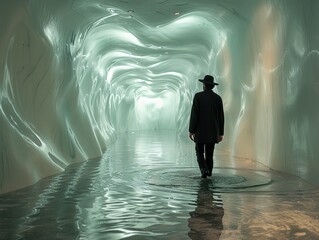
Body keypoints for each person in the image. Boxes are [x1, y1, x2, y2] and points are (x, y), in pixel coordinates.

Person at [189, 75, 224, 178]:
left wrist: (191, 130)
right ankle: (209, 173)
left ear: (204, 85)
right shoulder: (217, 98)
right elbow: (221, 117)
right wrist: (221, 133)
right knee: (210, 154)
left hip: (200, 131)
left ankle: (203, 169)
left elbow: (194, 114)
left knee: (199, 151)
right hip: (213, 132)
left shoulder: (198, 96)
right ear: (212, 86)